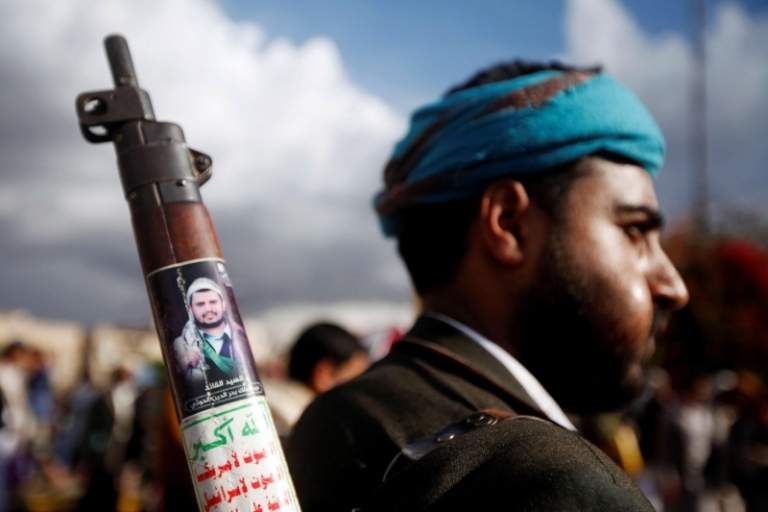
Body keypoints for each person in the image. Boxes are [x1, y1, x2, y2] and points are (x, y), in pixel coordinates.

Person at [286, 61, 690, 511]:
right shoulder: (554, 483)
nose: (674, 286)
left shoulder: (328, 420)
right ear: (509, 224)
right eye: (635, 232)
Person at [172, 277, 249, 395]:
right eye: (200, 304)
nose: (208, 309)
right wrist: (180, 369)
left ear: (223, 304)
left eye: (213, 302)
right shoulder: (180, 346)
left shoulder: (242, 338)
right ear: (190, 309)